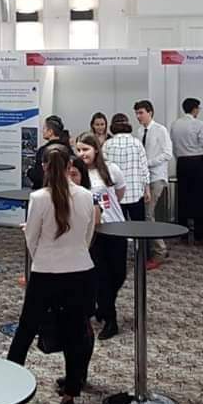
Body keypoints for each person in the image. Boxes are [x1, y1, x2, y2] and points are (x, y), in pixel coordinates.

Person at [7, 146, 96, 404]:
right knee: (75, 334)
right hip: (80, 270)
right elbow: (88, 235)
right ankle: (69, 397)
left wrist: (44, 258)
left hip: (46, 272)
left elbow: (31, 237)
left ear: (44, 167)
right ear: (70, 166)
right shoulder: (86, 196)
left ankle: (6, 390)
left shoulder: (38, 198)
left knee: (26, 330)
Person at [77, 132, 126, 340]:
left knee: (119, 274)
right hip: (94, 231)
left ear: (96, 149)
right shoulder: (78, 173)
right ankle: (110, 318)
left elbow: (120, 193)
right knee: (102, 276)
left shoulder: (111, 169)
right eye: (79, 150)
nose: (82, 154)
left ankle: (104, 306)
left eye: (86, 149)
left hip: (116, 227)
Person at [170, 98, 203, 249]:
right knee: (199, 199)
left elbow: (174, 146)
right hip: (197, 162)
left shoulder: (175, 124)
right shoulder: (199, 124)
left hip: (182, 163)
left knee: (183, 199)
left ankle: (183, 235)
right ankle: (198, 236)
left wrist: (180, 159)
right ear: (195, 109)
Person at [135, 100, 172, 262]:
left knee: (148, 214)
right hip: (143, 177)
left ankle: (160, 249)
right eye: (137, 113)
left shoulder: (160, 130)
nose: (138, 116)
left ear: (150, 112)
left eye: (141, 113)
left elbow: (167, 153)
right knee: (146, 214)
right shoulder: (139, 131)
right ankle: (151, 249)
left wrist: (148, 163)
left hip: (156, 176)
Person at [102, 113, 149, 224]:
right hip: (136, 192)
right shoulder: (137, 143)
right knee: (139, 227)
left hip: (116, 195)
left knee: (118, 228)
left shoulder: (107, 145)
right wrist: (147, 189)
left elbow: (103, 170)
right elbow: (144, 169)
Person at [28, 115, 71, 190]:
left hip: (46, 191)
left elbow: (39, 177)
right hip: (65, 190)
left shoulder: (43, 151)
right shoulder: (68, 149)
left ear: (50, 131)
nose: (42, 131)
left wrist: (29, 172)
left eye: (44, 128)